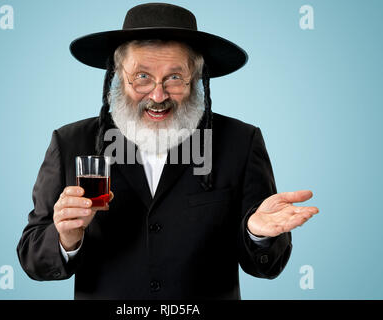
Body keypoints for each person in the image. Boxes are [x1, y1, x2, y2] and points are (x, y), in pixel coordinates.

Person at [17, 3, 319, 299]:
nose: (158, 95)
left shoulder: (241, 142)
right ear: (118, 77)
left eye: (174, 77)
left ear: (196, 79)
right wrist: (66, 237)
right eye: (142, 76)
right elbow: (32, 257)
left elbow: (268, 266)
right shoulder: (70, 142)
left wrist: (257, 233)